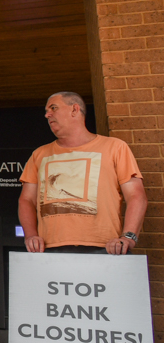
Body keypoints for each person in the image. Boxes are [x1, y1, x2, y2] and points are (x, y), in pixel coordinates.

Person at [19, 92, 146, 254]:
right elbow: (26, 200)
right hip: (49, 249)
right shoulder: (39, 154)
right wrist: (30, 236)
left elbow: (136, 195)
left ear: (74, 110)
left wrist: (128, 237)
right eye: (46, 110)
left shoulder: (115, 147)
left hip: (106, 248)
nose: (47, 114)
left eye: (53, 108)